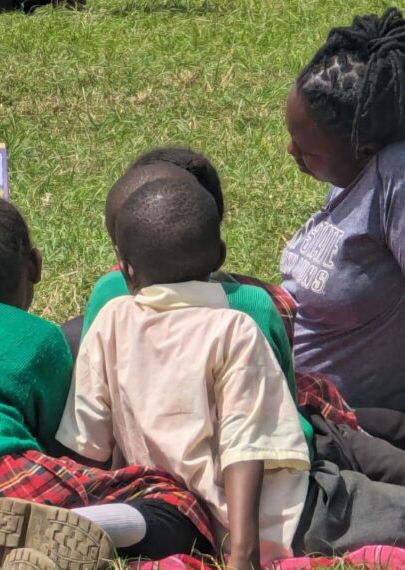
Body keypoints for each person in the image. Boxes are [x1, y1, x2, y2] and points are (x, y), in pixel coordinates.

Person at [56, 178, 405, 570]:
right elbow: (246, 445)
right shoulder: (233, 329)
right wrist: (243, 555)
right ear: (221, 256)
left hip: (184, 520)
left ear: (126, 269)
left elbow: (85, 445)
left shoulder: (110, 323)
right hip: (290, 519)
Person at [0, 193, 213, 570]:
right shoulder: (41, 339)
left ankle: (13, 551)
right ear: (36, 265)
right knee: (177, 502)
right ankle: (73, 526)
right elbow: (71, 447)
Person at [280, 7, 405, 411]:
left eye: (308, 152)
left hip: (338, 418)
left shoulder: (395, 179)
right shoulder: (350, 176)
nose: (291, 152)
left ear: (364, 150)